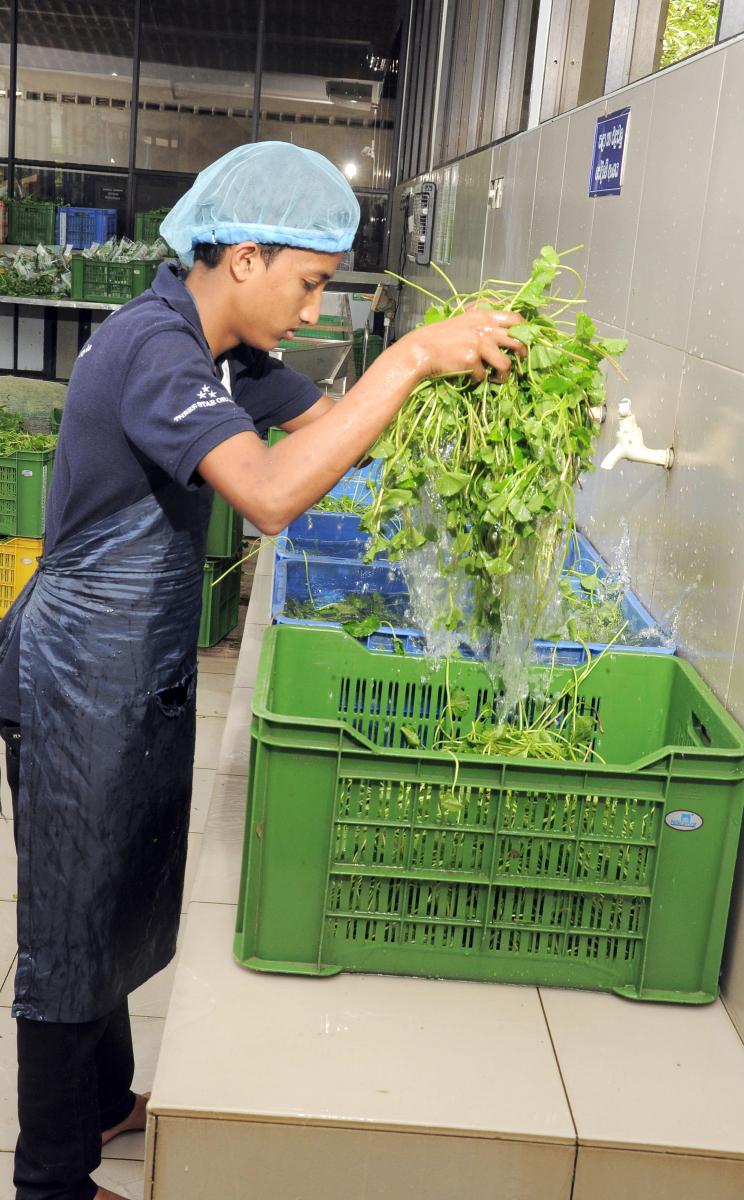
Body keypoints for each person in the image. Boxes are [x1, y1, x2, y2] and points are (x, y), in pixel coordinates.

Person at [0, 141, 524, 1200]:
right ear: (244, 258)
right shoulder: (156, 348)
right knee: (69, 925)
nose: (314, 310)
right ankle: (52, 1183)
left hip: (135, 668)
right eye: (310, 283)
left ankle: (103, 1103)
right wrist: (409, 360)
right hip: (76, 676)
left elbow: (332, 434)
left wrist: (463, 414)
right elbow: (273, 494)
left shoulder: (227, 351)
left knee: (117, 893)